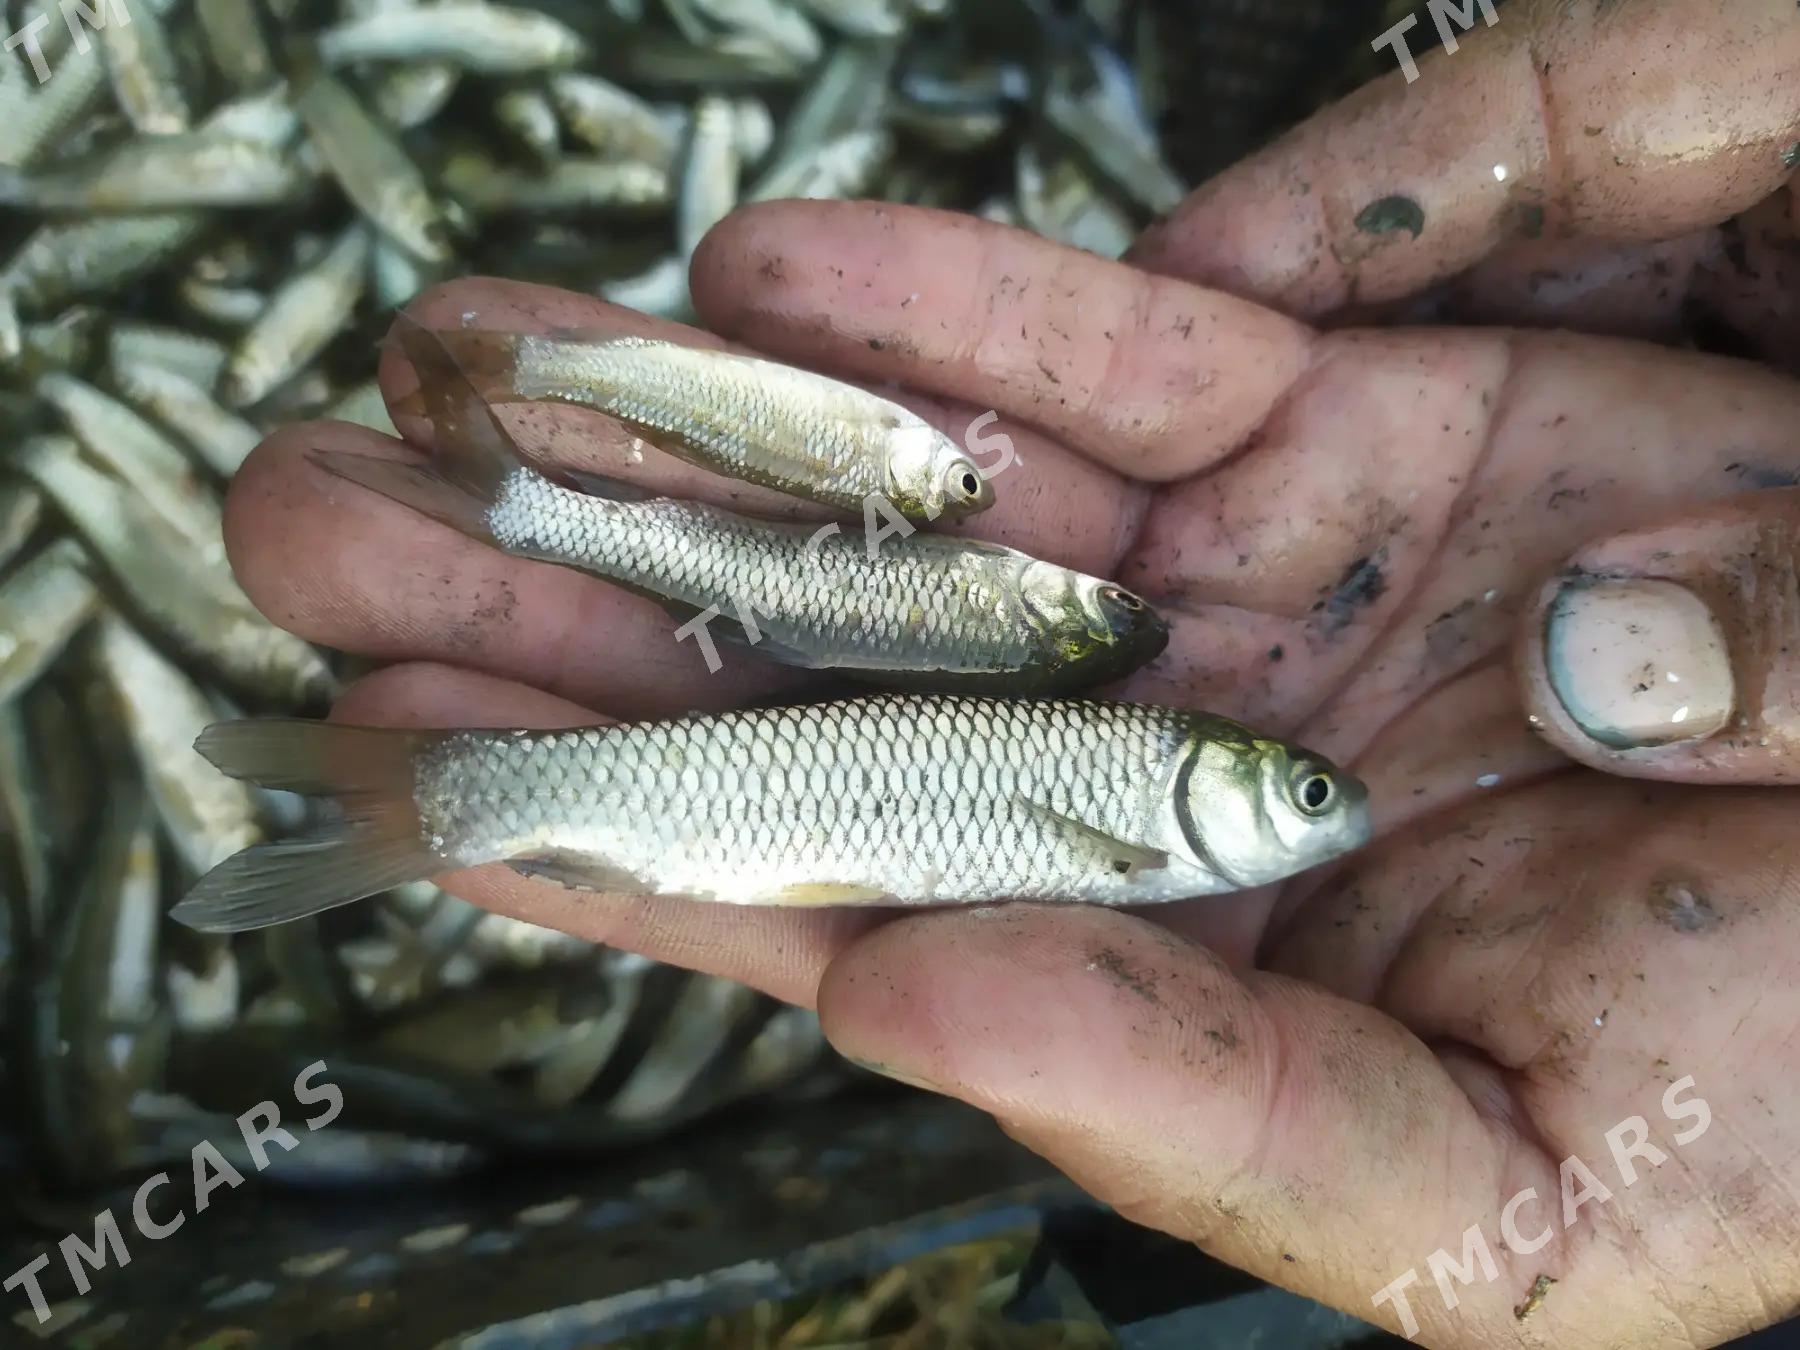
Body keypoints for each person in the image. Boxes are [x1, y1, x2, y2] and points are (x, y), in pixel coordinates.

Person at [226, 2, 1800, 1344]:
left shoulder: (1126, 773)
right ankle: (440, 788)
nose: (1331, 808)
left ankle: (433, 795)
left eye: (1314, 793)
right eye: (1307, 793)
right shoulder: (1128, 803)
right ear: (1212, 792)